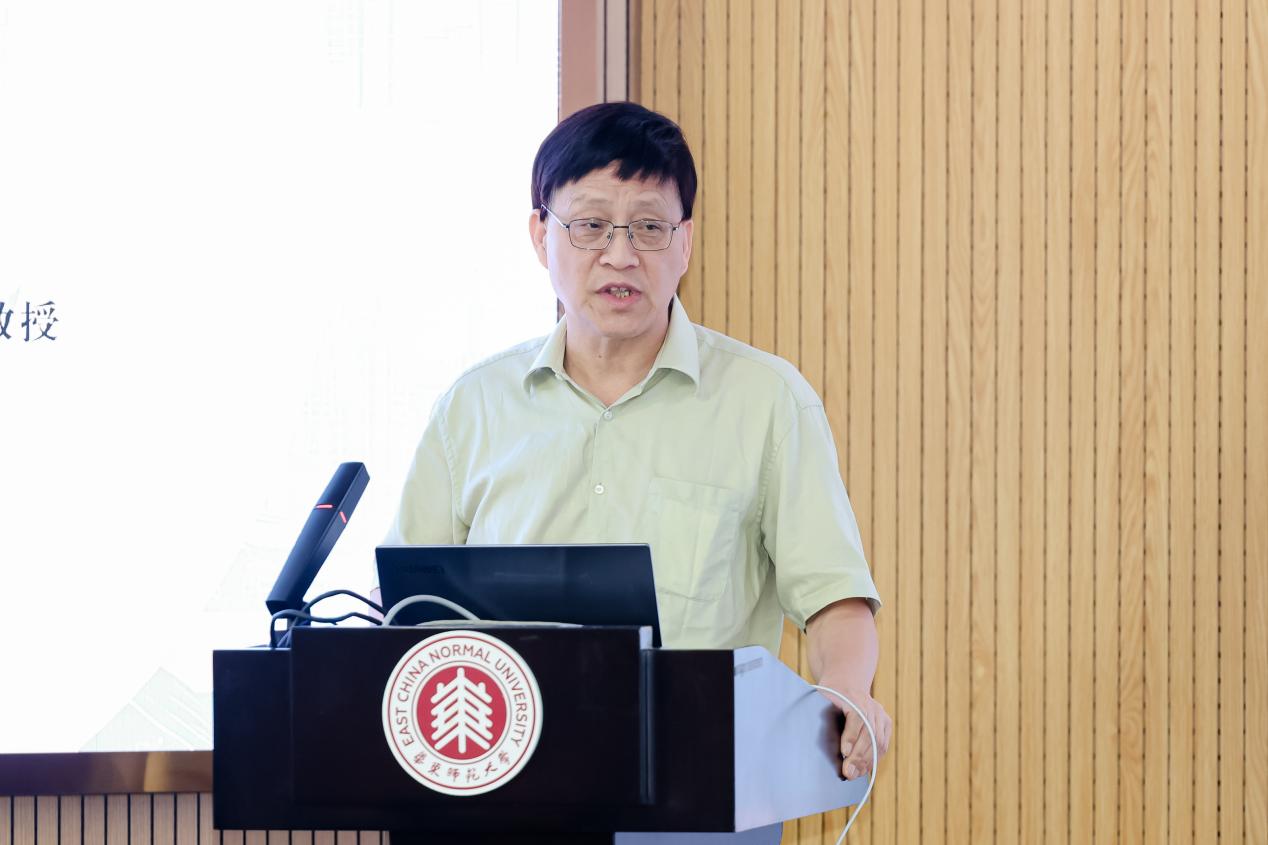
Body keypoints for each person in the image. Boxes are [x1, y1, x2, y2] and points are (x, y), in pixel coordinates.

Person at [383, 101, 891, 781]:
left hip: (702, 782)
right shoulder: (472, 408)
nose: (619, 255)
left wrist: (848, 689)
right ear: (540, 235)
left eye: (649, 227)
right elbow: (404, 612)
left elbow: (835, 597)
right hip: (500, 786)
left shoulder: (766, 400)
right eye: (590, 225)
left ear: (685, 242)